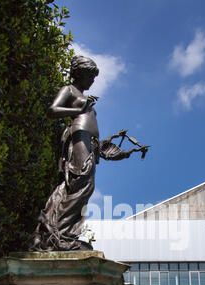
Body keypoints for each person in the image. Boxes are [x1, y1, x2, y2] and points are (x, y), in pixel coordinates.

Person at [29, 55, 148, 251]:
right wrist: (81, 106)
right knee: (81, 182)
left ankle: (61, 232)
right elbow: (52, 110)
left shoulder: (82, 95)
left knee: (84, 186)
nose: (92, 81)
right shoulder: (69, 90)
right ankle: (61, 235)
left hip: (89, 142)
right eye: (89, 76)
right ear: (79, 73)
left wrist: (124, 152)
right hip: (79, 138)